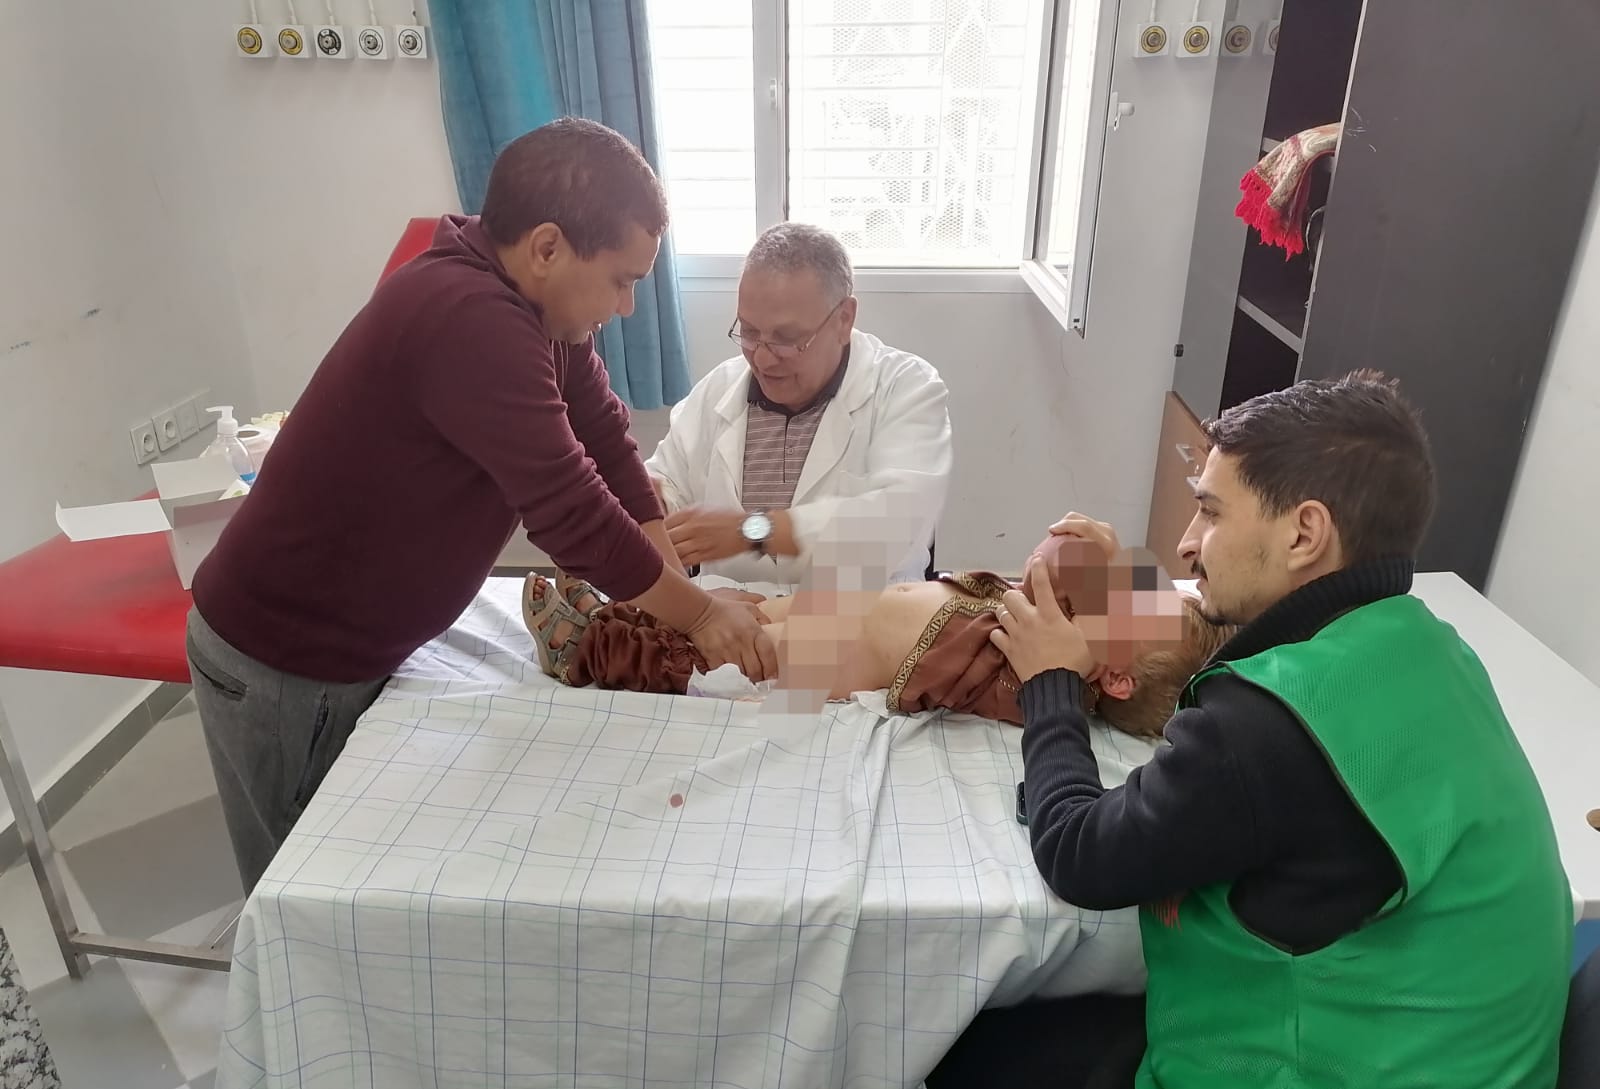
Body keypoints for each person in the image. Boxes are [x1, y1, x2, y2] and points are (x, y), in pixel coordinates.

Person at [853, 371, 1575, 1089]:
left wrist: (1052, 685)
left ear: (1305, 534)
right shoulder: (1424, 646)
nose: (1188, 544)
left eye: (1212, 512)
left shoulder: (1269, 726)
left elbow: (1081, 855)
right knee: (977, 1064)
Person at [185, 118, 774, 893]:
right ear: (548, 248)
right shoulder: (469, 317)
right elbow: (571, 512)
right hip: (286, 661)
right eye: (621, 279)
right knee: (306, 895)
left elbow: (605, 437)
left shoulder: (539, 309)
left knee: (352, 882)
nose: (630, 305)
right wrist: (696, 615)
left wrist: (671, 586)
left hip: (353, 647)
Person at [521, 521, 1216, 740]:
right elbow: (1058, 554)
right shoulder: (1057, 619)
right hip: (835, 603)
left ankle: (587, 649)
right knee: (735, 610)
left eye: (1131, 605)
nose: (1119, 594)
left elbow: (1050, 569)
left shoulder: (1035, 680)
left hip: (829, 658)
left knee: (727, 655)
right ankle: (614, 613)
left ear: (1114, 678)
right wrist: (1108, 550)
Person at [644, 223, 953, 588]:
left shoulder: (906, 388)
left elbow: (896, 523)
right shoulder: (718, 389)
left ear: (844, 319)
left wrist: (752, 531)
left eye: (787, 339)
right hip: (724, 609)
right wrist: (655, 502)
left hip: (856, 612)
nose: (762, 359)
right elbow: (667, 481)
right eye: (749, 331)